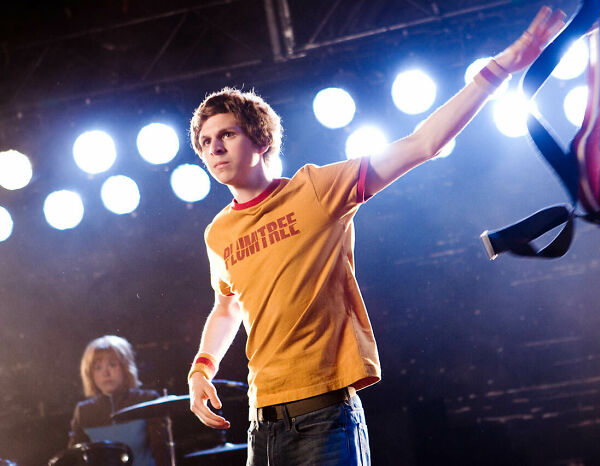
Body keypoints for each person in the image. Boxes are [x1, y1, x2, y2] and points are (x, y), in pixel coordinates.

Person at [186, 6, 566, 465]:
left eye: (226, 134)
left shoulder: (315, 189)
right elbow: (227, 304)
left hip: (323, 416)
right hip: (262, 425)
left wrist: (502, 68)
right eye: (205, 142)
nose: (214, 147)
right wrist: (202, 368)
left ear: (261, 140)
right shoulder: (218, 233)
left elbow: (423, 144)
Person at [68, 335, 169, 466]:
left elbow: (162, 454)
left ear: (125, 367)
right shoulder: (83, 411)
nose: (105, 373)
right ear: (90, 374)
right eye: (98, 367)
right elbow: (73, 458)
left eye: (112, 365)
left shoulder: (148, 400)